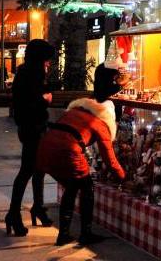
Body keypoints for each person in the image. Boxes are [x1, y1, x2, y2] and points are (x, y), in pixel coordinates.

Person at [37, 62, 128, 246]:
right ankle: (85, 233)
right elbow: (109, 159)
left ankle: (64, 234)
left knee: (71, 188)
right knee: (86, 188)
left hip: (45, 147)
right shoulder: (101, 122)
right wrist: (122, 177)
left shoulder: (79, 108)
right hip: (67, 151)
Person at [4, 39, 55, 237]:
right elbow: (31, 102)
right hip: (31, 128)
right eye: (46, 59)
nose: (48, 63)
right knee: (27, 170)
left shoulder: (31, 72)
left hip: (35, 127)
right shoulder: (29, 74)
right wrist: (45, 99)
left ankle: (38, 207)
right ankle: (13, 213)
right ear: (39, 58)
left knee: (38, 169)